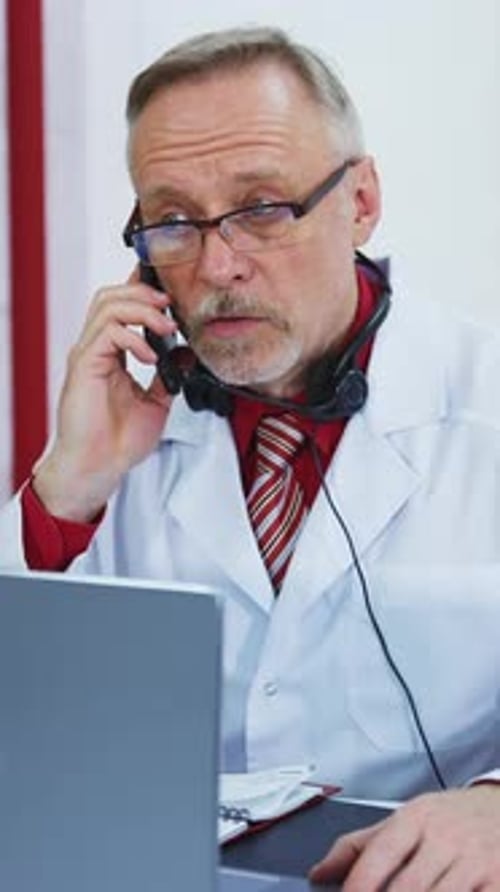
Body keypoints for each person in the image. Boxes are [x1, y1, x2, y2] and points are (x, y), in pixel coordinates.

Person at [2, 25, 500, 889]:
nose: (219, 264)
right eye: (172, 222)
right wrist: (67, 489)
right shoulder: (123, 421)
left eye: (263, 208)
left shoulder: (481, 396)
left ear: (362, 201)